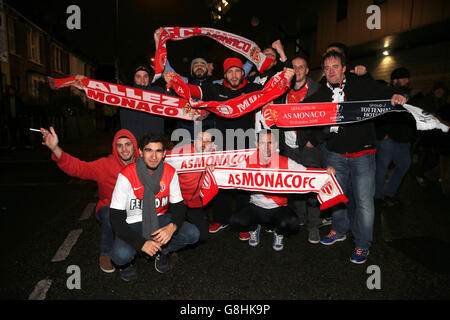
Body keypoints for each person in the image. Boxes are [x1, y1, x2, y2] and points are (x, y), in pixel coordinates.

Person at [164, 58, 294, 238]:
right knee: (220, 182)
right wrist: (176, 82)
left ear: (243, 73)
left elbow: (273, 91)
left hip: (246, 144)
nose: (234, 75)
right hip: (222, 144)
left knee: (244, 183)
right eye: (230, 72)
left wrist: (286, 79)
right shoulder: (216, 90)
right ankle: (220, 218)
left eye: (237, 71)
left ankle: (244, 224)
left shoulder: (252, 89)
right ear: (224, 74)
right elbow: (194, 91)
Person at [302, 50, 407, 264]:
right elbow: (303, 110)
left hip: (363, 154)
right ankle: (339, 230)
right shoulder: (322, 93)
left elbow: (386, 91)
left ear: (343, 69)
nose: (331, 71)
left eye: (335, 67)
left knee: (364, 202)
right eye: (327, 68)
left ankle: (362, 244)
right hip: (335, 154)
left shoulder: (360, 85)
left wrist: (398, 95)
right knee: (337, 197)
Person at [40, 127, 139, 273]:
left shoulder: (144, 164)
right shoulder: (105, 165)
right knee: (110, 215)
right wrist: (55, 148)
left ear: (134, 146)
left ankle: (130, 255)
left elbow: (166, 161)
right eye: (119, 145)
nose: (124, 149)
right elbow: (79, 168)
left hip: (134, 213)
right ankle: (107, 254)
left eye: (128, 144)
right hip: (109, 210)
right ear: (114, 148)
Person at [109, 132, 199, 281]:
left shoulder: (170, 172)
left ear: (164, 154)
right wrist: (141, 243)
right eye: (148, 150)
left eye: (158, 151)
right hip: (132, 223)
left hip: (159, 219)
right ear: (140, 152)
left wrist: (172, 226)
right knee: (120, 256)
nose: (153, 156)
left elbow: (179, 206)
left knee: (193, 233)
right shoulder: (126, 174)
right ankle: (126, 265)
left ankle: (162, 252)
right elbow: (115, 218)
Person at [229, 129, 335, 251]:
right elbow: (229, 170)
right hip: (256, 207)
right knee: (235, 220)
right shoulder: (248, 161)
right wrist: (214, 168)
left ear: (275, 145)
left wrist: (325, 172)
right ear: (257, 145)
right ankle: (254, 228)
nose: (267, 147)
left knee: (293, 224)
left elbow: (306, 173)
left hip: (278, 208)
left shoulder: (285, 161)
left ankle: (279, 232)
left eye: (270, 143)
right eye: (263, 143)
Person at [276, 55, 326, 244]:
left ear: (307, 70)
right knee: (295, 187)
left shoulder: (317, 90)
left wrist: (315, 139)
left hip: (308, 148)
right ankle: (301, 218)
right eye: (294, 67)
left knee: (313, 188)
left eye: (301, 67)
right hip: (288, 147)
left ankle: (314, 226)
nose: (297, 71)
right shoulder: (283, 91)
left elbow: (328, 118)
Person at [374, 67, 417, 207]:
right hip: (388, 138)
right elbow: (378, 114)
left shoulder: (409, 95)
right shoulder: (387, 92)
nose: (406, 81)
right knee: (382, 168)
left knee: (404, 165)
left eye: (407, 78)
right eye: (403, 78)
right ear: (395, 80)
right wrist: (383, 134)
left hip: (403, 139)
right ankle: (377, 196)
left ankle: (389, 193)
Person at [168, 128, 217, 243]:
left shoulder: (218, 156)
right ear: (194, 141)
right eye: (200, 139)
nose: (204, 143)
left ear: (212, 144)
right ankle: (168, 250)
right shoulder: (182, 151)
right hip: (177, 201)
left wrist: (214, 170)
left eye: (207, 140)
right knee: (168, 231)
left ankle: (186, 225)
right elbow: (160, 155)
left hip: (197, 204)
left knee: (203, 236)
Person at [119, 65, 168, 142]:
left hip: (154, 143)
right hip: (133, 143)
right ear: (134, 78)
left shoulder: (158, 92)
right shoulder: (125, 92)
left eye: (145, 76)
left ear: (149, 78)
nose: (142, 80)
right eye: (138, 77)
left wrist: (173, 83)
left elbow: (177, 101)